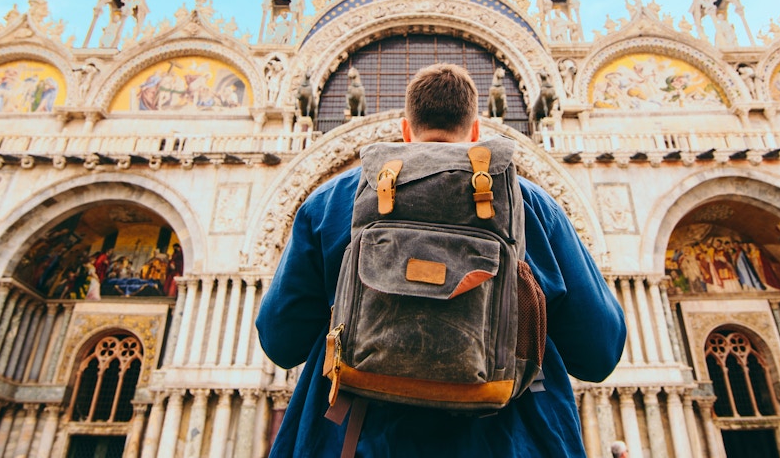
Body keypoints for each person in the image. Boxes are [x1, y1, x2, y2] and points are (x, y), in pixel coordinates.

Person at [257, 63, 626, 457]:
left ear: (405, 131)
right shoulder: (533, 206)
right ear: (476, 132)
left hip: (357, 440)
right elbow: (598, 353)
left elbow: (280, 342)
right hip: (508, 441)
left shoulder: (332, 202)